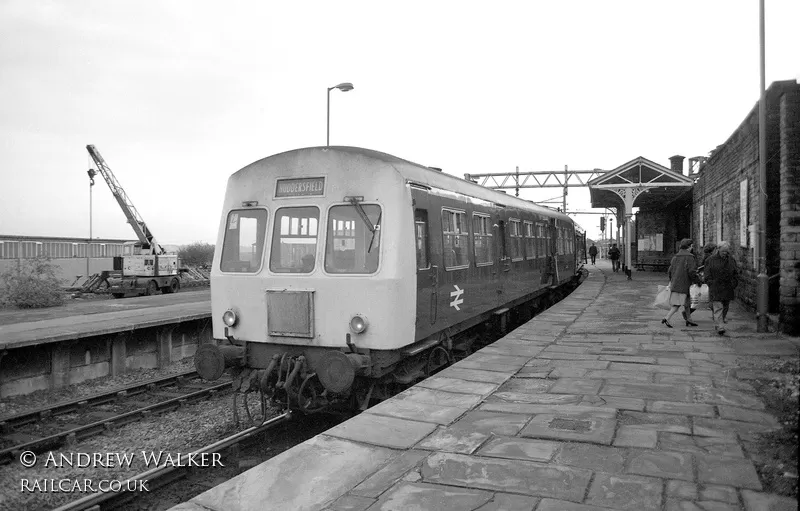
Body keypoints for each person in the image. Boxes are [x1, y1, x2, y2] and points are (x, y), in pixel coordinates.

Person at [662, 238, 698, 328]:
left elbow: (670, 270)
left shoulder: (676, 257)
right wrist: (698, 281)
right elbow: (692, 272)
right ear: (689, 247)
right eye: (692, 246)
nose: (692, 248)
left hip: (676, 283)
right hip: (685, 284)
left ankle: (689, 319)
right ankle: (667, 318)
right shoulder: (690, 257)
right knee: (677, 304)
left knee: (687, 303)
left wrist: (672, 280)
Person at [704, 241, 739, 335]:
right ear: (718, 249)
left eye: (727, 252)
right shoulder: (710, 260)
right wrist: (710, 282)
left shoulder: (731, 260)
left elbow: (736, 272)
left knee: (725, 307)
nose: (725, 253)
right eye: (723, 251)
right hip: (716, 286)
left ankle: (719, 322)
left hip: (728, 287)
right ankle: (720, 326)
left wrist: (734, 283)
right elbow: (707, 274)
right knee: (718, 306)